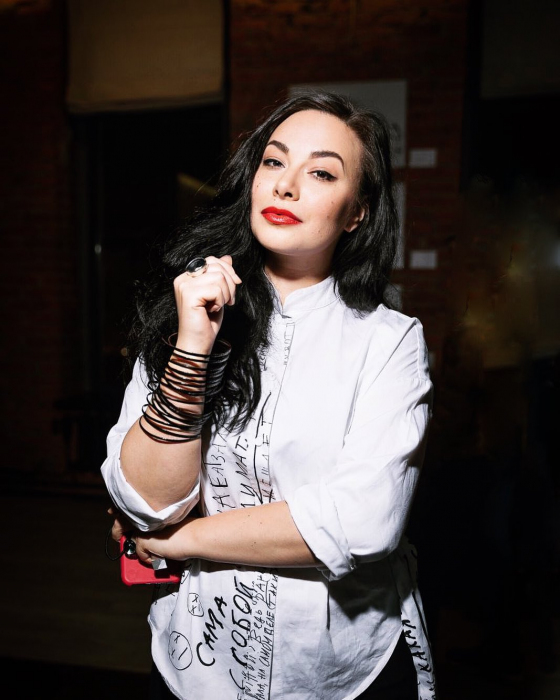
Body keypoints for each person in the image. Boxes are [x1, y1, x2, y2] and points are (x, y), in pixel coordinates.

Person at [101, 89, 437, 700]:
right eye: (274, 161)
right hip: (193, 666)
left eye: (322, 173)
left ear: (357, 213)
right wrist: (193, 346)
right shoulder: (186, 309)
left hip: (338, 675)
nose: (285, 185)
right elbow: (148, 503)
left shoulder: (388, 341)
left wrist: (182, 541)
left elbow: (362, 521)